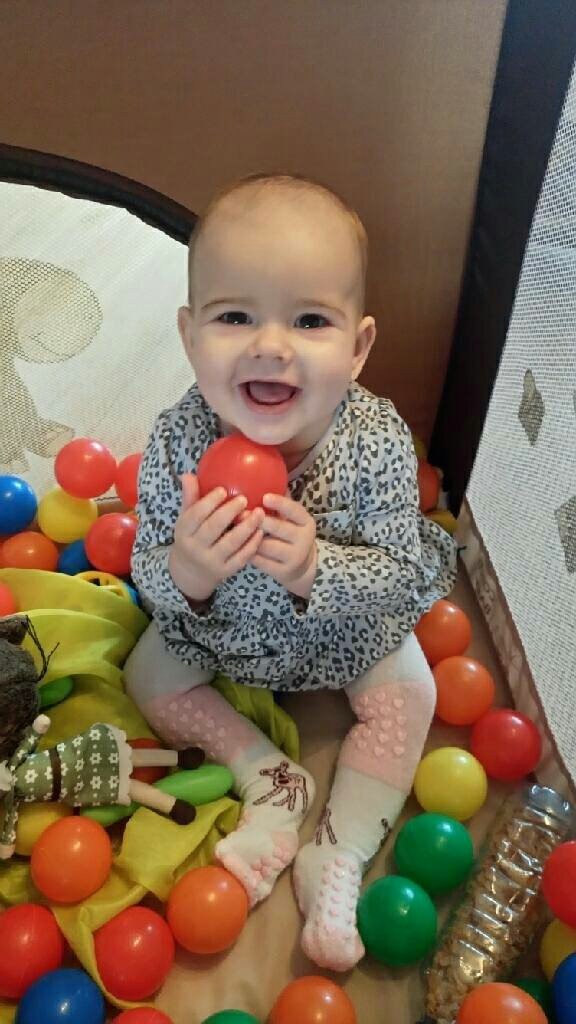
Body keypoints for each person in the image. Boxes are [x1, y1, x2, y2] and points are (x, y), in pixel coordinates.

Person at [125, 173, 456, 972]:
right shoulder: (176, 441)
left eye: (309, 320)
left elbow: (399, 568)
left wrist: (317, 568)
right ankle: (268, 779)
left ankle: (338, 849)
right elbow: (147, 568)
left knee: (412, 693)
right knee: (146, 673)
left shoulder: (376, 440)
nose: (270, 346)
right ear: (190, 335)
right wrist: (186, 571)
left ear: (358, 347)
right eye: (235, 316)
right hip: (226, 636)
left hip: (343, 636)